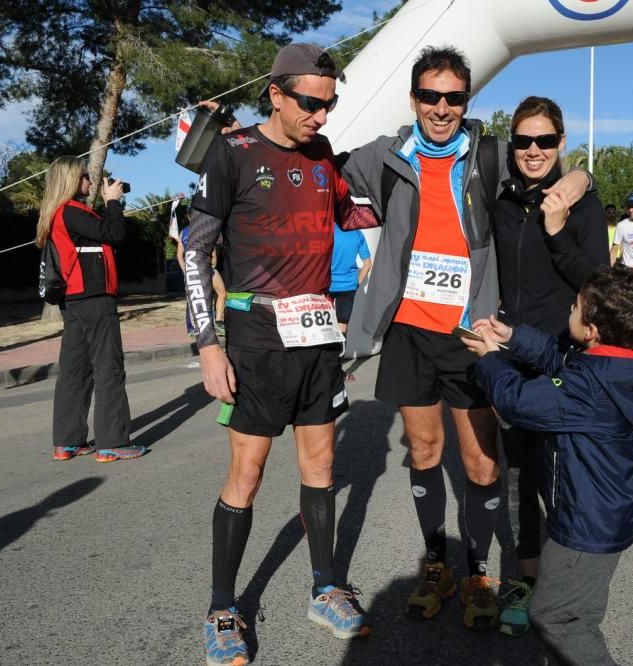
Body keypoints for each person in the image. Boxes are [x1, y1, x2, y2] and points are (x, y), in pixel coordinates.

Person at [339, 45, 593, 630]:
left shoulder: (491, 155)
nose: (442, 108)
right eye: (431, 96)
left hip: (470, 334)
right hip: (408, 327)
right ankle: (437, 564)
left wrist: (577, 178)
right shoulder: (384, 155)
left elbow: (556, 163)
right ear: (414, 99)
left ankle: (479, 569)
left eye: (454, 97)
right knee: (425, 452)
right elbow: (319, 163)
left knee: (480, 463)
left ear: (466, 102)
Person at [185, 43, 379, 666]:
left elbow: (359, 213)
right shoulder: (233, 153)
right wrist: (208, 345)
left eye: (330, 104)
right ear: (275, 93)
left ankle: (325, 588)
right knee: (248, 472)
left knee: (321, 466)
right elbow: (195, 253)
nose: (321, 117)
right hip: (256, 340)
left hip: (318, 337)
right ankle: (222, 608)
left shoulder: (324, 157)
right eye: (310, 103)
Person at [461, 265, 633, 665]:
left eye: (575, 307)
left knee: (557, 619)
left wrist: (489, 360)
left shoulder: (589, 387)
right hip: (601, 512)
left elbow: (518, 402)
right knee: (579, 612)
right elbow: (562, 361)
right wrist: (513, 338)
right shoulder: (622, 367)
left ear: (591, 331)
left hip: (584, 524)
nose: (569, 309)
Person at [490, 95, 608, 636]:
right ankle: (526, 578)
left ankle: (565, 589)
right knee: (518, 473)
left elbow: (596, 283)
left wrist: (558, 225)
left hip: (562, 356)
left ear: (561, 144)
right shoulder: (503, 197)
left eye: (544, 140)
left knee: (562, 480)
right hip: (514, 354)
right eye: (522, 141)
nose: (533, 150)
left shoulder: (580, 205)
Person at [34, 156, 143, 463]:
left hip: (74, 301)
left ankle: (67, 442)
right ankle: (113, 442)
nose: (90, 181)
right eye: (84, 176)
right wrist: (113, 203)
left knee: (75, 371)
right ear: (71, 180)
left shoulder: (56, 213)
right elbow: (114, 233)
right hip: (95, 299)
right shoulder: (72, 211)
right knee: (109, 367)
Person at [329, 225, 372, 335]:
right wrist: (355, 284)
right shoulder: (357, 233)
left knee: (325, 325)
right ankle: (340, 351)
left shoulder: (325, 231)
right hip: (348, 287)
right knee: (342, 325)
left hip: (326, 286)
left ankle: (326, 352)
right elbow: (367, 264)